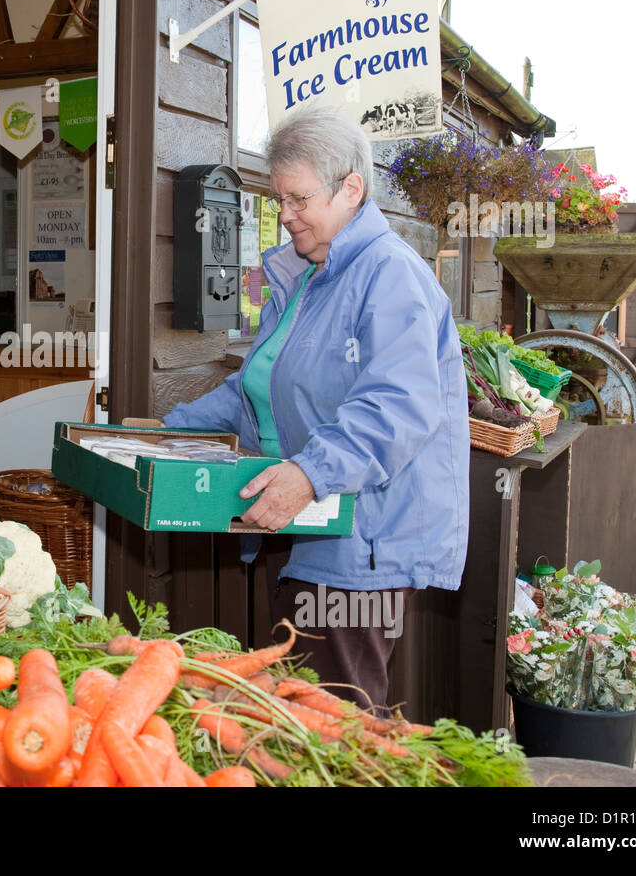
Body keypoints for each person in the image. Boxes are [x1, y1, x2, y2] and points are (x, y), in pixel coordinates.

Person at [162, 108, 469, 711]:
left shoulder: (390, 276)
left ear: (350, 188)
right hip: (308, 528)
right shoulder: (305, 274)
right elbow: (258, 387)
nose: (285, 214)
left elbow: (397, 404)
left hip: (364, 536)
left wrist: (309, 473)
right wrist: (162, 434)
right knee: (297, 714)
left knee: (335, 718)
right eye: (279, 199)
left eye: (299, 198)